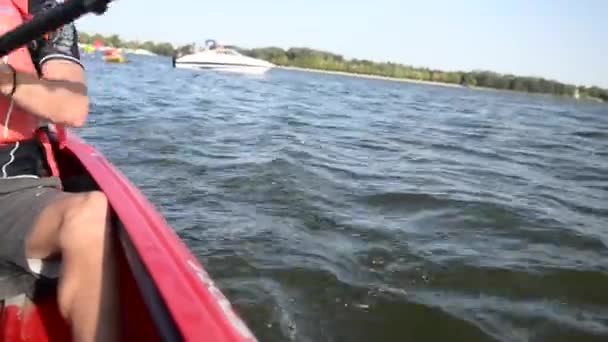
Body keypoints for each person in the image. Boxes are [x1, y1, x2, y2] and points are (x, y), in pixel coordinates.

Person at [0, 0, 118, 341]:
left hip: (13, 188)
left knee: (90, 214)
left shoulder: (48, 16)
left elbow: (73, 108)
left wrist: (9, 81)